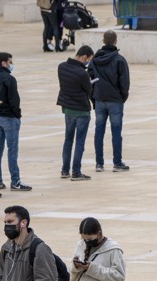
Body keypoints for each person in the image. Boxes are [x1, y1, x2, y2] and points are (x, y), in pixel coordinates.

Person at [0, 52, 32, 192]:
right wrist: (17, 115)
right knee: (12, 150)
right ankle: (15, 181)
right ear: (4, 63)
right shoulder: (9, 78)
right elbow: (14, 100)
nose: (11, 64)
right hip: (9, 117)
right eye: (10, 62)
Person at [91, 30, 131, 173]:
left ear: (103, 41)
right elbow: (124, 82)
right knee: (116, 132)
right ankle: (117, 163)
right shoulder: (119, 60)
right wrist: (122, 97)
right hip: (115, 101)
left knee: (99, 132)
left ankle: (99, 164)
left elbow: (90, 80)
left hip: (100, 100)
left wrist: (93, 97)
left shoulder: (94, 60)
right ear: (115, 41)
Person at [57, 45, 95, 181]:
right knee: (79, 141)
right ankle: (76, 172)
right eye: (88, 59)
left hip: (68, 108)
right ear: (84, 57)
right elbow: (88, 90)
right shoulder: (82, 73)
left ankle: (65, 170)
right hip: (81, 110)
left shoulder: (61, 67)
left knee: (68, 140)